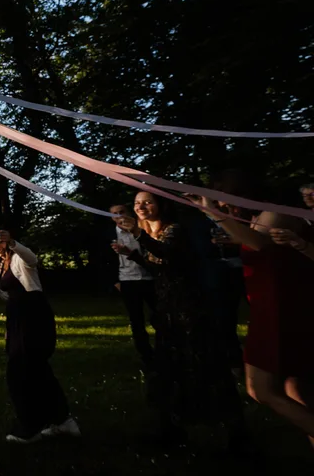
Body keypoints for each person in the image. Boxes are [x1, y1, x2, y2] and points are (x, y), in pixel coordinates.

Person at [114, 192, 246, 449]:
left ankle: (235, 433)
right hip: (168, 308)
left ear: (160, 206)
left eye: (148, 201)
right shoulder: (149, 232)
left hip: (189, 308)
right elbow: (158, 266)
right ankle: (171, 429)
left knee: (204, 365)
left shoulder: (173, 230)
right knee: (167, 368)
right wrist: (134, 256)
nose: (141, 206)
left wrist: (139, 238)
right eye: (137, 202)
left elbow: (166, 254)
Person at [189, 180, 314, 448]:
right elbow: (262, 245)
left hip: (280, 308)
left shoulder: (274, 211)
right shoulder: (260, 217)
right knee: (297, 388)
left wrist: (213, 212)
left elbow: (258, 244)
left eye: (225, 201)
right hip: (272, 305)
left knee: (260, 389)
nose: (225, 207)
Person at [0, 230, 79, 444]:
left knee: (20, 372)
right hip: (18, 318)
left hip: (33, 315)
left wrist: (14, 243)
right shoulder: (1, 266)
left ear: (7, 241)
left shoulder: (19, 257)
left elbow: (33, 258)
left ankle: (30, 426)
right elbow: (7, 296)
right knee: (38, 370)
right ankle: (62, 421)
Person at [109, 203, 156, 373]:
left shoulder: (143, 229)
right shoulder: (110, 235)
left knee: (158, 316)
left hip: (149, 278)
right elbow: (104, 260)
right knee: (136, 320)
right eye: (115, 214)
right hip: (127, 280)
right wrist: (115, 281)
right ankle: (146, 356)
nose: (119, 215)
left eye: (122, 212)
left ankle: (165, 349)